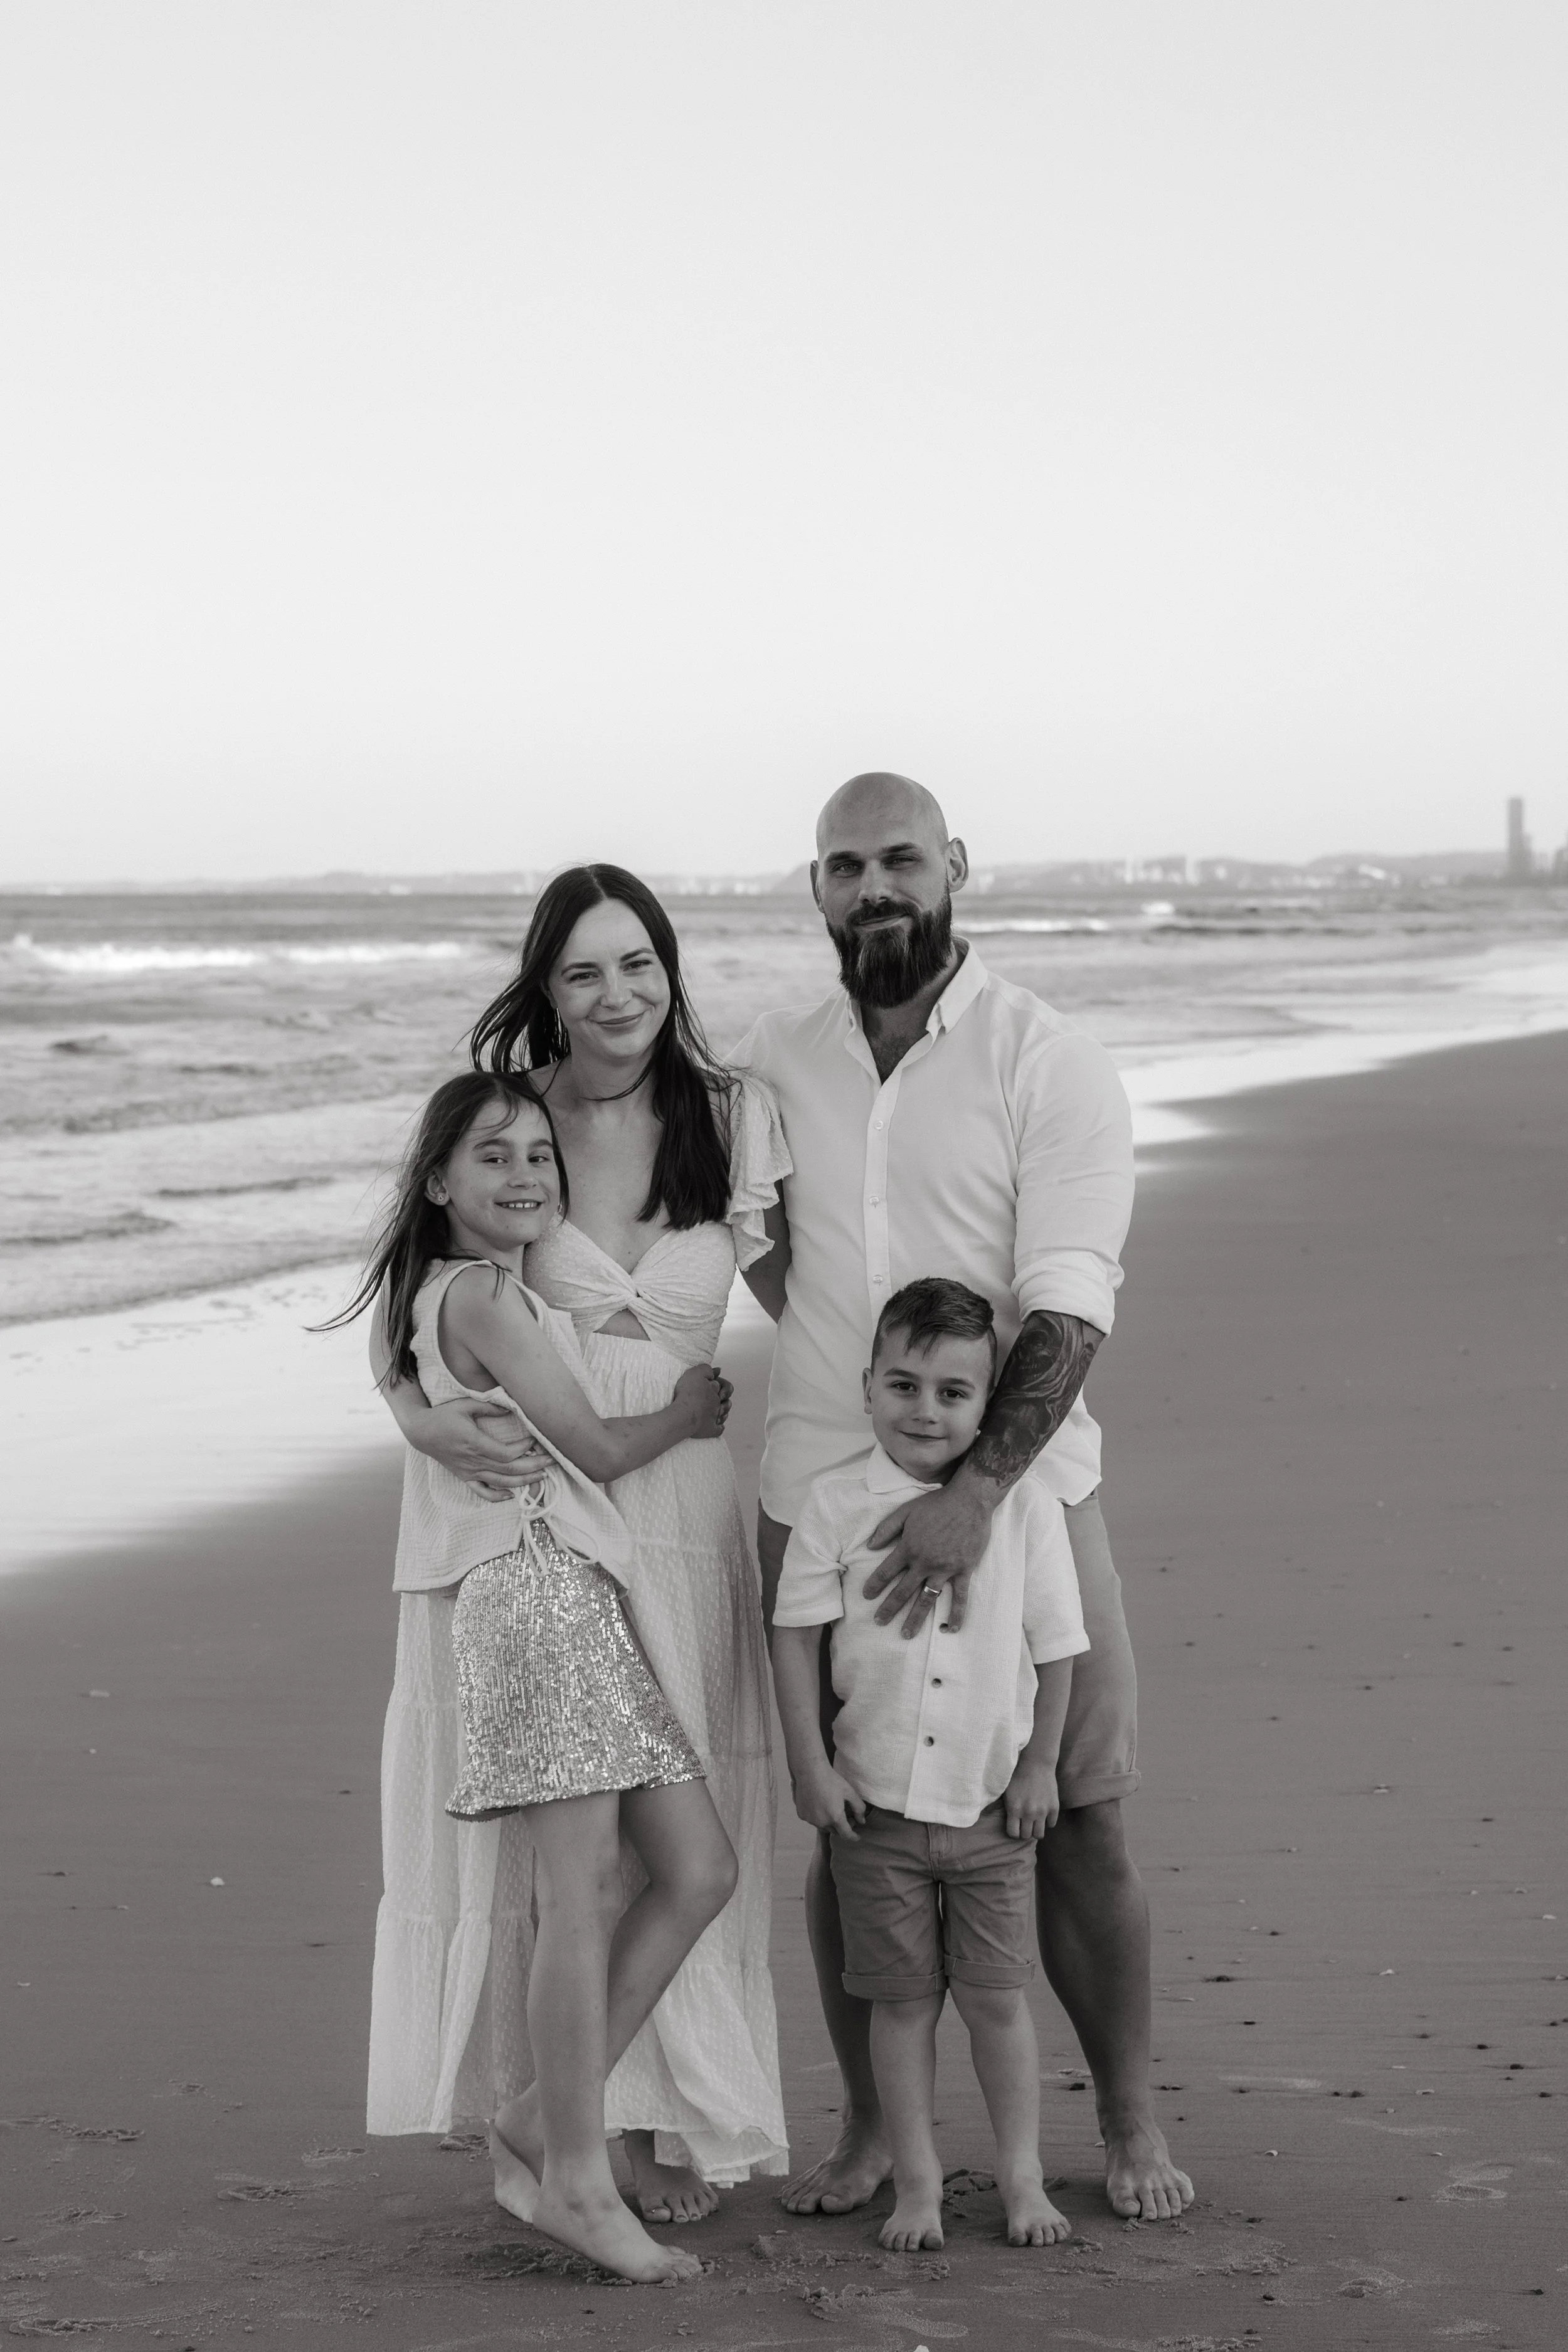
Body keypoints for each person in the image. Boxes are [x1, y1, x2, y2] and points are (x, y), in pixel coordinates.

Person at [734, 770, 1194, 2225]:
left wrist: (971, 1490)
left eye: (901, 860)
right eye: (845, 865)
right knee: (850, 1821)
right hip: (819, 1489)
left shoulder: (1044, 1059)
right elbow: (765, 1255)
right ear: (815, 888)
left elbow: (1067, 1302)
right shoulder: (777, 1059)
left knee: (1075, 1808)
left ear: (956, 869)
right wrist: (838, 1391)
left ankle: (1124, 2120)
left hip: (1024, 1502)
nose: (875, 888)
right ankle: (872, 2129)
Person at [379, 865, 790, 2222]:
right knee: (579, 1850)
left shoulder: (731, 1118)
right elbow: (417, 1296)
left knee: (683, 1825)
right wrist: (419, 1424)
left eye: (637, 964)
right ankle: (584, 2134)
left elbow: (812, 1303)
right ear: (544, 988)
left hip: (679, 1501)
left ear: (671, 970)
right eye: (582, 972)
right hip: (541, 1507)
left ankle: (655, 2122)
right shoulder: (516, 1125)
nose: (615, 995)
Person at [337, 1069, 739, 2284]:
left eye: (536, 1157)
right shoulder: (487, 1302)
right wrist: (690, 1409)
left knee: (695, 1867)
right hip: (536, 1593)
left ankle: (531, 2117)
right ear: (439, 1181)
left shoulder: (446, 1290)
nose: (524, 1177)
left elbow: (385, 1340)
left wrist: (406, 1405)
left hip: (564, 1590)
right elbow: (599, 1447)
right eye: (492, 1157)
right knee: (580, 1898)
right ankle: (573, 2174)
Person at [772, 1278, 1088, 2253]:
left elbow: (1058, 1644)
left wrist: (1042, 1766)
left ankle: (1022, 2177)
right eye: (901, 1384)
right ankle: (915, 2184)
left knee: (997, 1999)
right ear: (866, 1385)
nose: (923, 1409)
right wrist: (809, 1766)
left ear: (989, 1405)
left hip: (993, 1811)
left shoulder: (1026, 1507)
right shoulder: (831, 1504)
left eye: (954, 1392)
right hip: (877, 1813)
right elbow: (792, 1638)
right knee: (899, 2005)